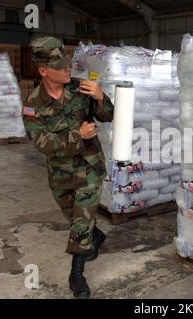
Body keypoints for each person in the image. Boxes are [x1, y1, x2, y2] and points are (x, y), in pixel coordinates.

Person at [22, 36, 114, 298]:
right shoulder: (33, 105)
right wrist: (78, 135)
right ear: (43, 70)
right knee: (75, 218)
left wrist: (100, 97)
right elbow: (42, 143)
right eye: (61, 66)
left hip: (90, 167)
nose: (67, 70)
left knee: (81, 220)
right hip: (61, 174)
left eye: (68, 64)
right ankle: (96, 236)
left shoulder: (80, 89)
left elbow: (107, 117)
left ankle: (77, 275)